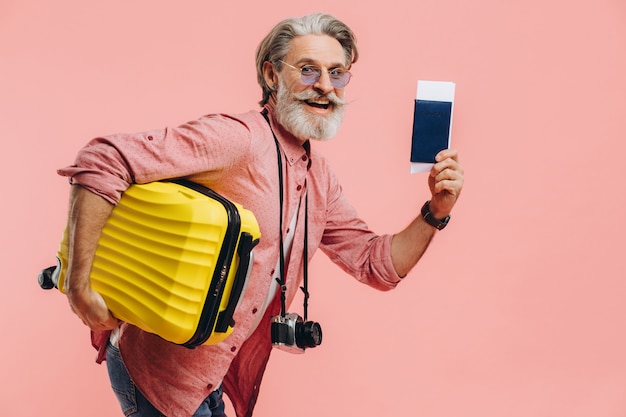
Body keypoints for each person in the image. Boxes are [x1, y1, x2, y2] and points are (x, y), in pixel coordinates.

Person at [58, 12, 464, 417]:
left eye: (337, 74)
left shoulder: (318, 177)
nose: (325, 86)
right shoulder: (238, 139)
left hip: (212, 376)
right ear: (271, 75)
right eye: (308, 70)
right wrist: (79, 288)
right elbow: (102, 160)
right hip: (159, 375)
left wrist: (436, 211)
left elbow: (377, 265)